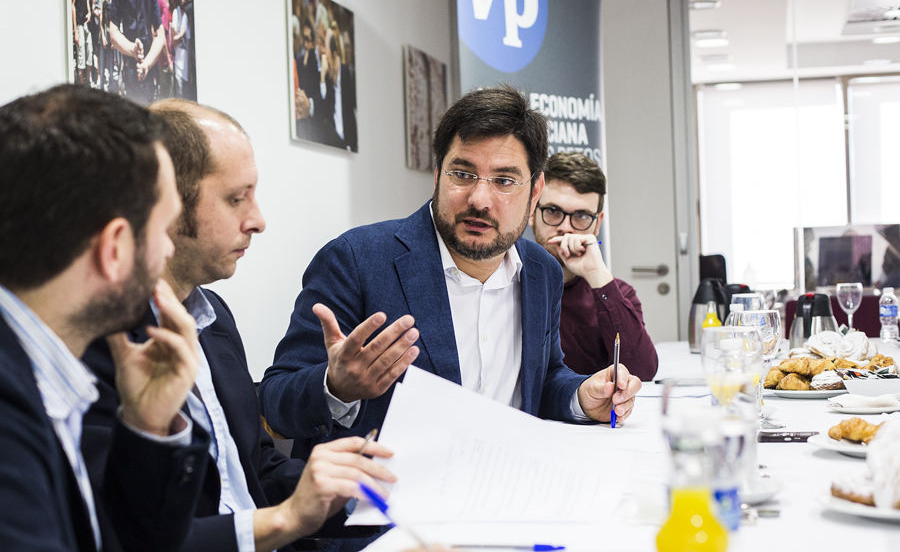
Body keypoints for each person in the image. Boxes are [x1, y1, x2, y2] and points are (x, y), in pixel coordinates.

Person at [82, 99, 395, 552]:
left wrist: (354, 492)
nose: (258, 220)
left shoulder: (214, 318)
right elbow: (122, 535)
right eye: (236, 199)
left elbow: (253, 469)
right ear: (165, 202)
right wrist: (285, 519)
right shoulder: (97, 340)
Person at [260, 85, 641, 458]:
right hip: (387, 506)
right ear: (438, 173)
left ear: (535, 189)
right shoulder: (356, 260)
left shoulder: (541, 271)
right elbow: (275, 400)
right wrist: (336, 387)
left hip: (508, 486)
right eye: (462, 174)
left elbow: (543, 377)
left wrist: (579, 396)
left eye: (505, 181)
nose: (479, 199)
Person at [0, 84, 210, 551]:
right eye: (163, 229)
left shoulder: (37, 375)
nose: (169, 248)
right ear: (115, 248)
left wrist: (148, 428)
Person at [528, 152, 658, 380]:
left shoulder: (617, 292)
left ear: (597, 224)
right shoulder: (507, 282)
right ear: (531, 212)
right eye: (553, 212)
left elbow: (641, 373)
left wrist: (598, 276)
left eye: (581, 216)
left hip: (589, 415)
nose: (566, 227)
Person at [108, 0, 165, 104]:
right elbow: (160, 34)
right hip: (146, 70)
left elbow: (113, 33)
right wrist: (147, 63)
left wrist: (133, 50)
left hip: (133, 69)